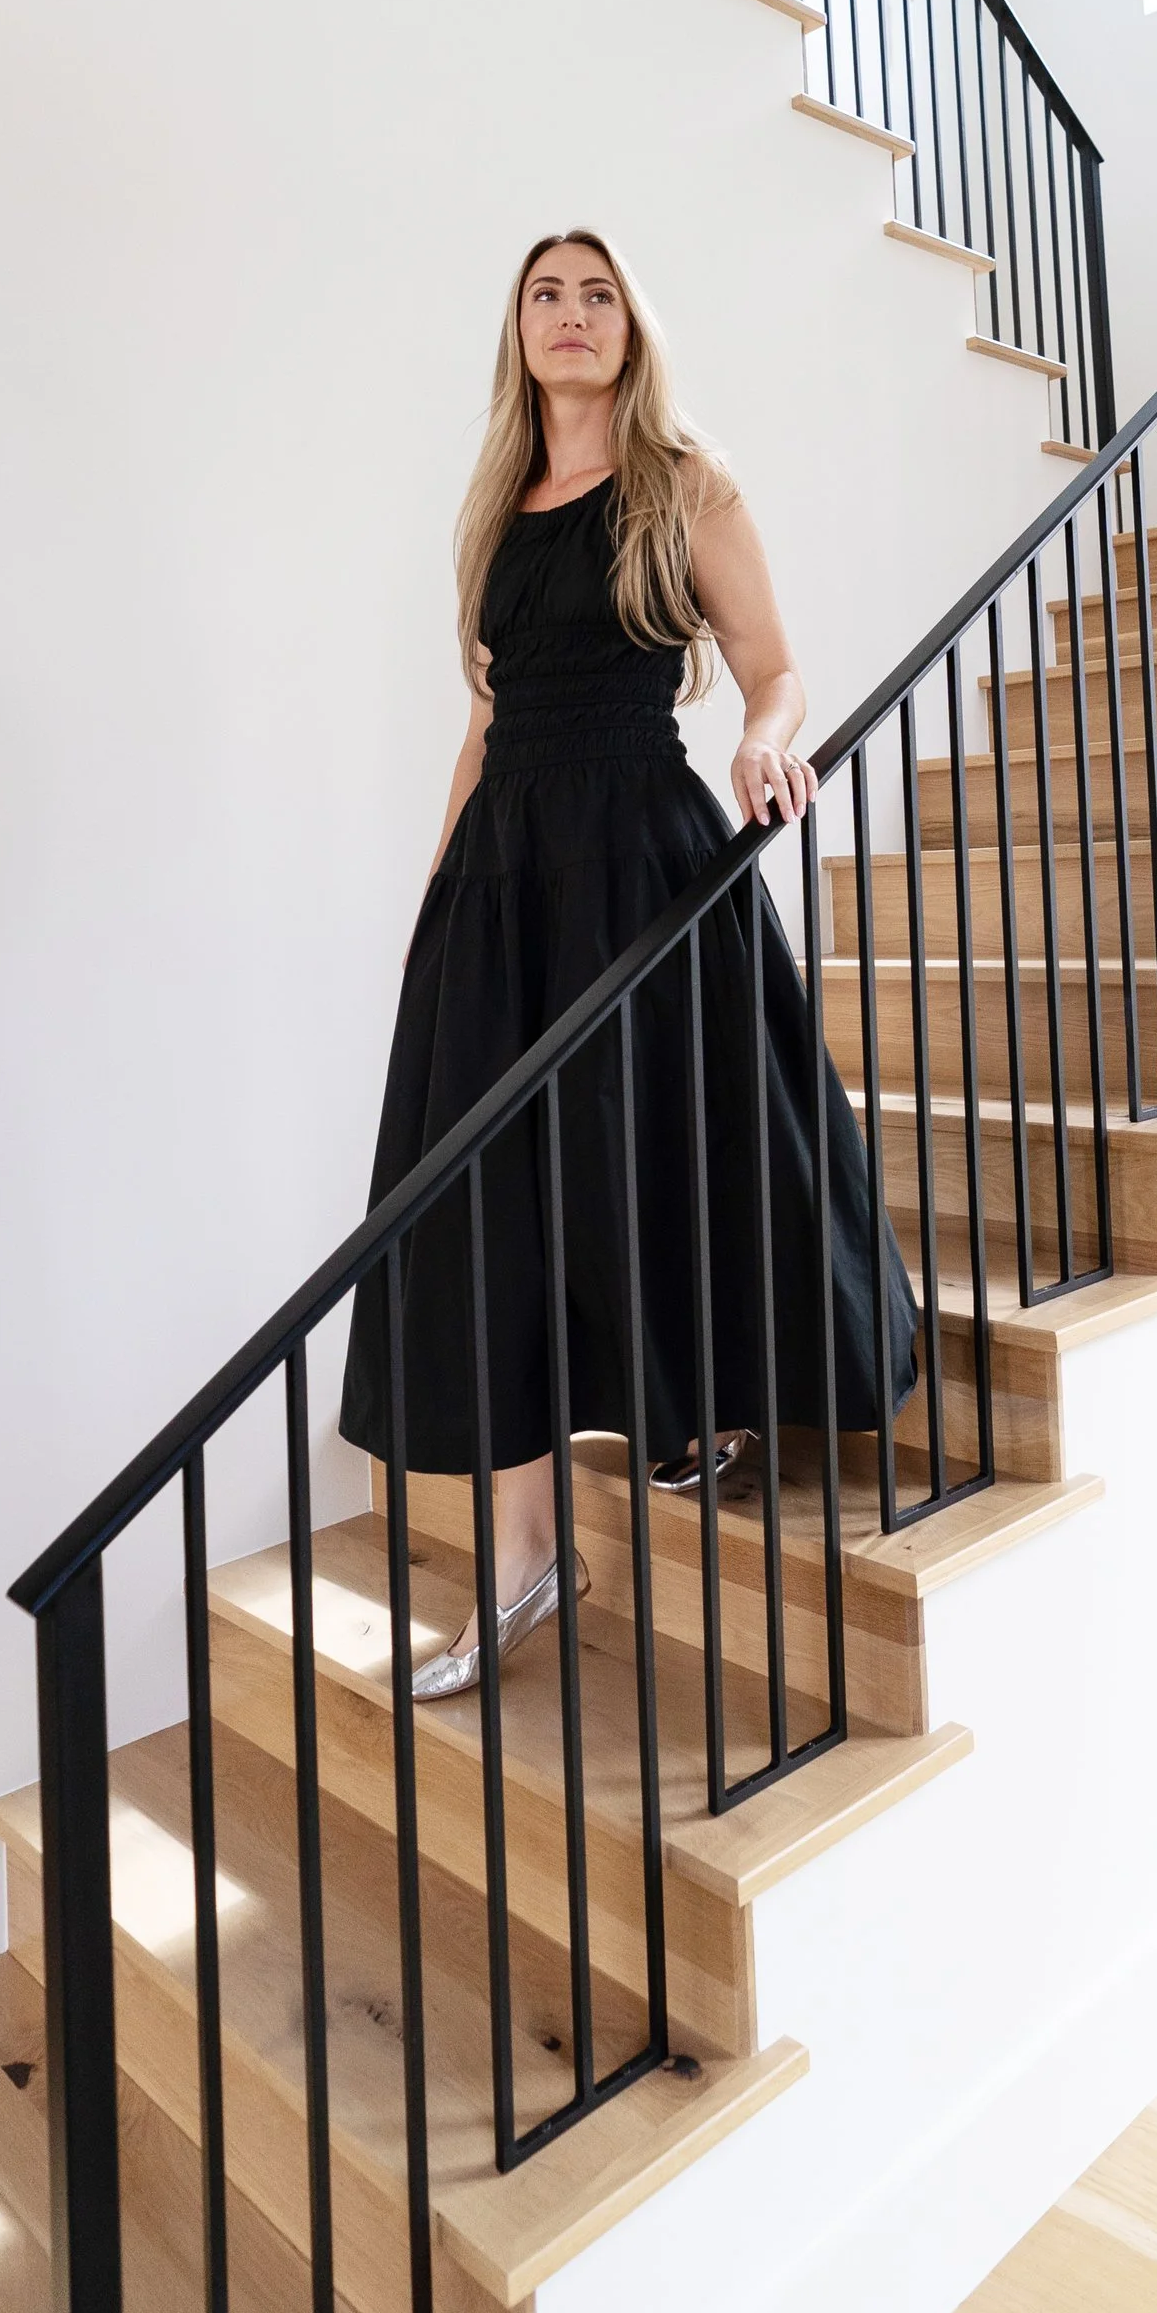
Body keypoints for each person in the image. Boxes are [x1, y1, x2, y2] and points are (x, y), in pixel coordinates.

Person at [337, 227, 918, 1696]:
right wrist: (438, 889)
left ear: (629, 327)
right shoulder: (494, 514)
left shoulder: (682, 484)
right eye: (547, 294)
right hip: (505, 885)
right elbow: (487, 721)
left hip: (642, 861)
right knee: (493, 1199)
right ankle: (526, 1559)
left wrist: (765, 744)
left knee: (663, 1143)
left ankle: (706, 1400)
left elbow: (775, 668)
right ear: (519, 331)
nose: (572, 314)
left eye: (598, 294)